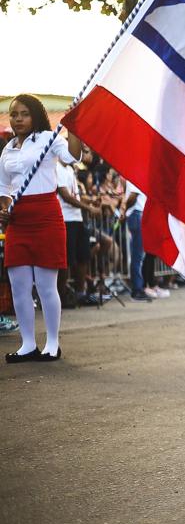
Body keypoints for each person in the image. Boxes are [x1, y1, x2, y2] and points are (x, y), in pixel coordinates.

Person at [0, 94, 83, 362]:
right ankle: (27, 344)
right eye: (14, 114)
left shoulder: (49, 139)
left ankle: (52, 343)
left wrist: (75, 125)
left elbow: (73, 156)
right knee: (19, 285)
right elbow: (3, 188)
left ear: (35, 115)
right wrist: (3, 210)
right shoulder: (7, 150)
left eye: (24, 113)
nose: (18, 119)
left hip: (46, 216)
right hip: (18, 221)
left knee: (46, 286)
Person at [56, 161, 99, 307]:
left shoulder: (69, 169)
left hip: (77, 218)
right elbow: (66, 196)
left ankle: (80, 294)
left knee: (83, 256)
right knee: (66, 260)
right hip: (65, 219)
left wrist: (91, 202)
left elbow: (76, 195)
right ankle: (61, 298)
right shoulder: (57, 167)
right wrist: (88, 208)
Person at [123, 180, 150, 302]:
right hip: (136, 214)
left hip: (137, 214)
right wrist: (124, 210)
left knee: (138, 255)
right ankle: (137, 289)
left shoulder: (134, 176)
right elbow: (133, 197)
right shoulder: (134, 176)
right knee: (137, 256)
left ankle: (139, 288)